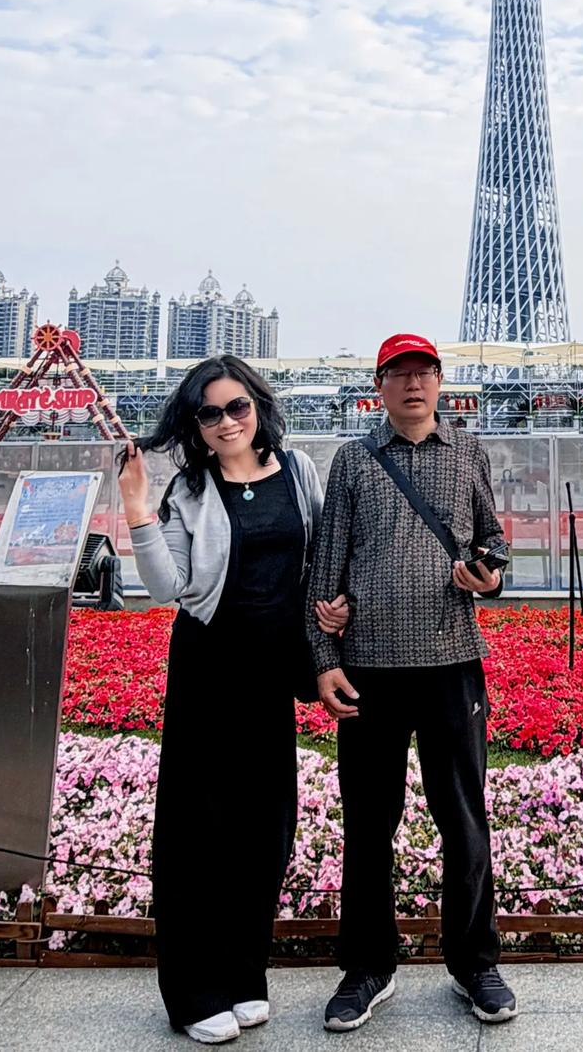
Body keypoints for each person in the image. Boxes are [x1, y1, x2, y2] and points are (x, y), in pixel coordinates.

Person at [117, 355, 349, 1044]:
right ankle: (193, 994)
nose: (226, 423)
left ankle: (245, 975)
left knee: (264, 829)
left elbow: (319, 558)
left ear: (259, 407)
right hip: (209, 671)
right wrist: (137, 510)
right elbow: (170, 590)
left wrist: (332, 613)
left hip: (273, 674)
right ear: (195, 424)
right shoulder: (189, 489)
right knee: (198, 835)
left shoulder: (299, 470)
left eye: (237, 407)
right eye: (210, 413)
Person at [305, 332, 515, 1032]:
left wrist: (486, 570)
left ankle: (474, 962)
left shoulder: (467, 452)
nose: (413, 384)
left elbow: (494, 540)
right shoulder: (355, 461)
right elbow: (324, 565)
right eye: (399, 374)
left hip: (453, 661)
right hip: (366, 669)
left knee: (463, 817)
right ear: (380, 386)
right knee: (369, 824)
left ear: (440, 382)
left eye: (423, 372)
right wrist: (323, 656)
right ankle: (368, 967)